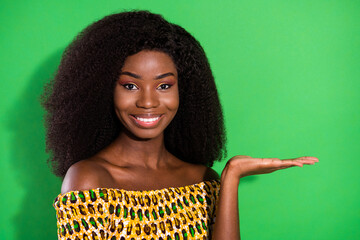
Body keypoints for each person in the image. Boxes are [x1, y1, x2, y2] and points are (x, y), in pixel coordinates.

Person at [42, 10, 318, 240]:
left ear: (184, 91)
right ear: (104, 89)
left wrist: (231, 176)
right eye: (129, 85)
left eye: (164, 85)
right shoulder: (89, 180)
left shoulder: (204, 181)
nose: (148, 102)